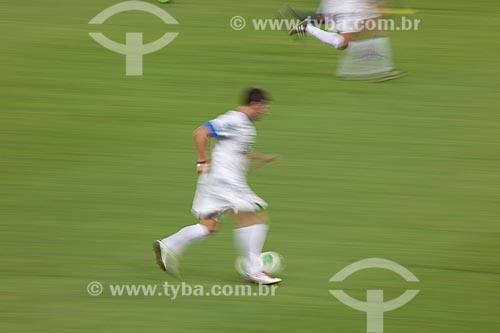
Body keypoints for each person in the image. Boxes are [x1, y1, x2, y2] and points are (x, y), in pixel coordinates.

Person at [153, 88, 282, 284]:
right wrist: (202, 161)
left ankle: (168, 245)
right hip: (224, 180)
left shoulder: (245, 127)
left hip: (216, 181)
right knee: (255, 218)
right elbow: (201, 132)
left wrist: (265, 159)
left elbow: (241, 152)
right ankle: (254, 270)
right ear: (256, 104)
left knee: (208, 227)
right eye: (265, 108)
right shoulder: (235, 120)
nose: (266, 112)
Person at [287, 0, 406, 82]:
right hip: (347, 5)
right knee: (345, 41)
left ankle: (374, 58)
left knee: (347, 42)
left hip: (348, 4)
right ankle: (380, 66)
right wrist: (381, 6)